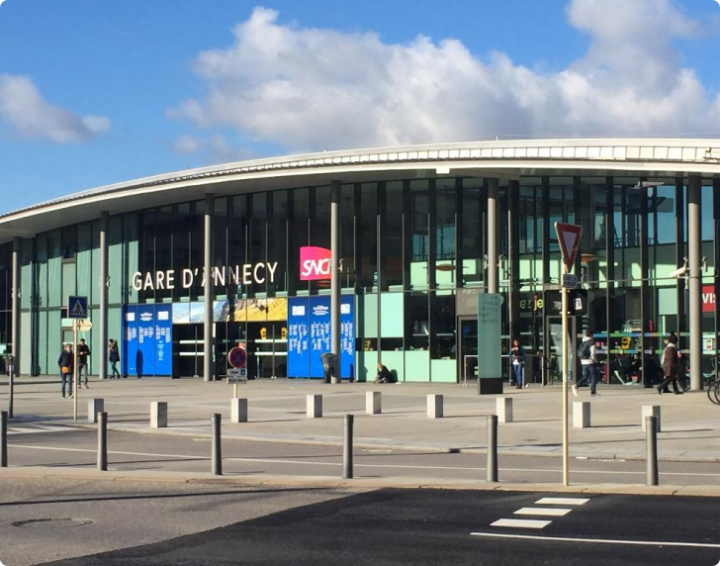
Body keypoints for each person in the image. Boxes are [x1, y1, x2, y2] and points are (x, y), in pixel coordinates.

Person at [573, 331, 599, 397]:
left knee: (585, 376)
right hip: (590, 362)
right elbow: (593, 354)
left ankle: (576, 385)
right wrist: (595, 360)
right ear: (591, 335)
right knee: (593, 377)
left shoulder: (583, 341)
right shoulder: (591, 343)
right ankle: (593, 392)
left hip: (583, 361)